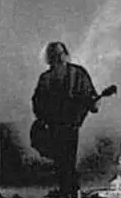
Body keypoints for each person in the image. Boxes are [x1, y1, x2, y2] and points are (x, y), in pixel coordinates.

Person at [32, 42, 99, 198]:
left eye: (60, 53)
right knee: (62, 161)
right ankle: (68, 190)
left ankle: (70, 190)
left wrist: (92, 103)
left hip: (70, 124)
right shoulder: (46, 78)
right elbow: (38, 101)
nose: (59, 57)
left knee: (67, 160)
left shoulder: (77, 73)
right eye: (55, 55)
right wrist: (44, 120)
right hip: (54, 125)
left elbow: (90, 96)